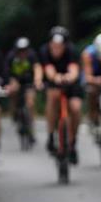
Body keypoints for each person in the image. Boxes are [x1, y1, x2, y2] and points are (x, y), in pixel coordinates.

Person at [39, 26, 83, 164]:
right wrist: (55, 77)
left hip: (70, 82)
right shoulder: (45, 51)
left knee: (75, 108)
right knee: (52, 97)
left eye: (60, 46)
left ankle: (73, 142)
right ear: (50, 44)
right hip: (54, 82)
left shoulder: (71, 51)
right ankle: (51, 135)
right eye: (54, 45)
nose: (56, 48)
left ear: (65, 45)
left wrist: (70, 77)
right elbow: (48, 69)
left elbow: (74, 69)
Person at [5, 37, 43, 145]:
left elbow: (37, 68)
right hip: (15, 80)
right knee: (13, 93)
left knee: (30, 103)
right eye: (20, 50)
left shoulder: (31, 55)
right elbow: (6, 71)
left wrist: (38, 80)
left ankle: (31, 126)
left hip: (29, 82)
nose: (22, 53)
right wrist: (10, 83)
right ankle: (14, 113)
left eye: (24, 50)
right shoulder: (11, 56)